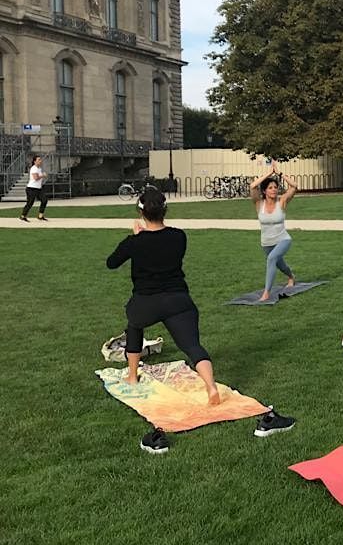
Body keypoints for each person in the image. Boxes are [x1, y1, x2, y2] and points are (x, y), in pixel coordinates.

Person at [105, 188, 296, 448]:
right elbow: (162, 246)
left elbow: (112, 262)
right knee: (192, 346)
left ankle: (131, 375)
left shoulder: (134, 242)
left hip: (146, 302)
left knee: (134, 326)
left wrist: (134, 237)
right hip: (179, 301)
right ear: (165, 210)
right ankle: (210, 386)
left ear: (140, 212)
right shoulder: (178, 236)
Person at [250, 162, 300, 302]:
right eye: (270, 188)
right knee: (281, 265)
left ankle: (266, 293)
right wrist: (268, 174)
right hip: (266, 243)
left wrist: (279, 174)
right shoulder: (259, 204)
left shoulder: (282, 201)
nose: (274, 190)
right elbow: (252, 186)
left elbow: (294, 186)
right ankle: (291, 276)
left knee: (272, 259)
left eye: (276, 187)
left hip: (283, 239)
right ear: (264, 191)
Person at [20, 156, 49, 222]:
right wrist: (43, 175)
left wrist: (42, 177)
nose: (40, 161)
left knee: (44, 200)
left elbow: (39, 179)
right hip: (31, 188)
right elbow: (35, 178)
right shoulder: (34, 168)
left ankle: (40, 216)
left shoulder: (39, 169)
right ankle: (23, 216)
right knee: (30, 203)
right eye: (38, 160)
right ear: (34, 161)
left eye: (40, 159)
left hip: (38, 189)